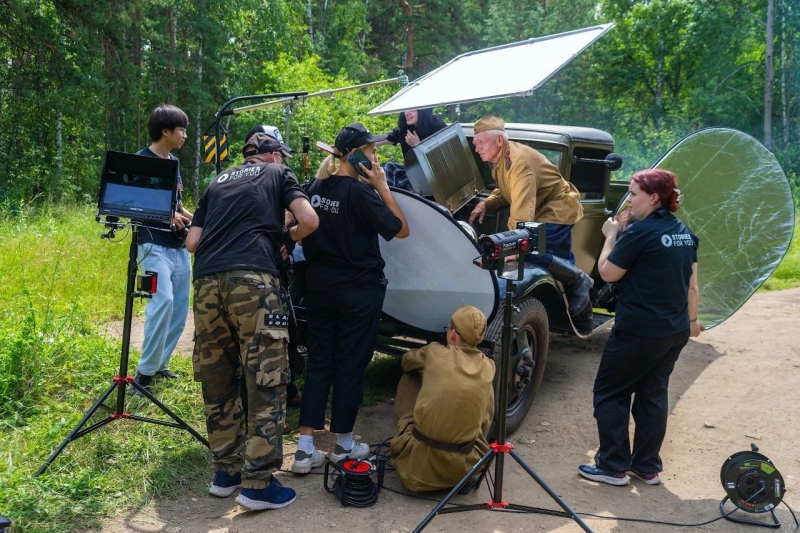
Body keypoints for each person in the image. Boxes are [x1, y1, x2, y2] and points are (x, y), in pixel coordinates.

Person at [185, 132, 319, 510]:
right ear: (274, 156)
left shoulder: (216, 183)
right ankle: (258, 484)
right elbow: (310, 220)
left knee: (219, 377)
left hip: (207, 282)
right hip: (254, 280)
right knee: (266, 378)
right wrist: (286, 235)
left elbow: (192, 243)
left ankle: (225, 472)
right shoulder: (278, 174)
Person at [290, 123, 410, 474]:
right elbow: (401, 229)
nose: (376, 160)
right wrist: (384, 188)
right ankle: (343, 445)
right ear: (355, 156)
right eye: (372, 153)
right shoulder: (361, 194)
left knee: (320, 362)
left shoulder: (313, 188)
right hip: (358, 291)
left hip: (320, 287)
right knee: (351, 363)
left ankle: (304, 449)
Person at [578, 168, 703, 487]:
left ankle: (612, 466)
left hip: (639, 331)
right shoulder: (685, 233)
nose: (629, 200)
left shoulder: (638, 233)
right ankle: (646, 467)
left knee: (610, 393)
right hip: (674, 331)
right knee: (652, 395)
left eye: (634, 194)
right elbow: (692, 287)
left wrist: (610, 236)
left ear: (654, 197)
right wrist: (692, 322)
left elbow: (607, 273)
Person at [468, 116, 593, 331]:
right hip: (544, 207)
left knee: (532, 250)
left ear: (498, 140)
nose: (476, 148)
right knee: (560, 261)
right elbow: (507, 188)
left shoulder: (519, 162)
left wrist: (512, 246)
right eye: (475, 143)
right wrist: (487, 204)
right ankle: (582, 321)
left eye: (480, 143)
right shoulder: (501, 157)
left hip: (557, 208)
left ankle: (580, 280)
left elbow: (522, 211)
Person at [390, 306, 495, 493]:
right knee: (484, 398)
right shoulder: (488, 366)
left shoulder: (434, 352)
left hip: (415, 472)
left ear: (453, 334)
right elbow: (487, 420)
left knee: (411, 376)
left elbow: (406, 361)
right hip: (463, 468)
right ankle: (457, 476)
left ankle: (412, 450)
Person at [132, 104, 193, 396]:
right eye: (181, 130)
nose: (185, 135)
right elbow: (134, 205)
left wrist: (198, 219)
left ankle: (160, 364)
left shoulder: (175, 161)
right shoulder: (141, 161)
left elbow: (177, 205)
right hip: (152, 243)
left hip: (179, 245)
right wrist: (167, 217)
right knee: (163, 301)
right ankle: (144, 373)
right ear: (165, 131)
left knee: (180, 306)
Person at [242, 125, 304, 409]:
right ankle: (266, 398)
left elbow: (292, 211)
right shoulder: (271, 175)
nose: (281, 160)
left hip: (271, 265)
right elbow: (304, 217)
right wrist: (288, 233)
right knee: (271, 332)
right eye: (278, 154)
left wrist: (286, 233)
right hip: (261, 268)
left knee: (285, 328)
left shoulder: (234, 179)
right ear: (270, 155)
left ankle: (287, 388)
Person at [377, 108, 447, 190]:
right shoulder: (406, 129)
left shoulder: (438, 127)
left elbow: (443, 163)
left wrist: (417, 145)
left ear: (423, 110)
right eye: (405, 109)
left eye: (412, 109)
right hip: (412, 174)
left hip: (434, 179)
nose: (406, 113)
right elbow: (386, 138)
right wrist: (363, 142)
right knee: (387, 168)